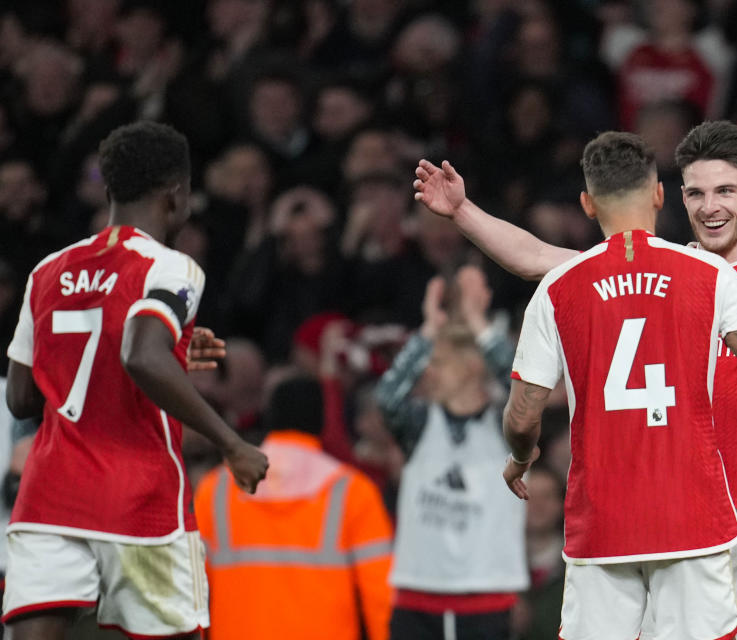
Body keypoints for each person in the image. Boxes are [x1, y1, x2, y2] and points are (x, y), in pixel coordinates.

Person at [415, 120, 737, 640]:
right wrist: (462, 211)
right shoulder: (669, 273)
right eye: (697, 193)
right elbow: (540, 260)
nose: (711, 206)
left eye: (726, 190)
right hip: (687, 521)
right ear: (674, 197)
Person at [499, 131, 737, 640]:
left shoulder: (561, 286)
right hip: (690, 517)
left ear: (587, 204)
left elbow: (523, 417)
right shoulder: (706, 275)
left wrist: (521, 459)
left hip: (602, 520)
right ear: (660, 195)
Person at [2, 121, 269, 640]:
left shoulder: (48, 271)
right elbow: (142, 355)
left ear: (108, 191)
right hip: (139, 500)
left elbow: (21, 397)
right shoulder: (170, 268)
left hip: (48, 498)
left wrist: (158, 355)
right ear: (178, 195)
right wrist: (231, 442)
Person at [376, 265, 529, 640]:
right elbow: (387, 397)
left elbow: (529, 395)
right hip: (417, 598)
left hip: (487, 599)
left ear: (473, 365)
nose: (428, 372)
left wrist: (480, 324)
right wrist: (429, 330)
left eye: (440, 361)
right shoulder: (418, 425)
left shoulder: (505, 429)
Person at [194, 375, 393, 640]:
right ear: (322, 420)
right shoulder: (351, 491)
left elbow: (187, 591)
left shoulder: (216, 490)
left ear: (270, 417)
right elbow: (382, 599)